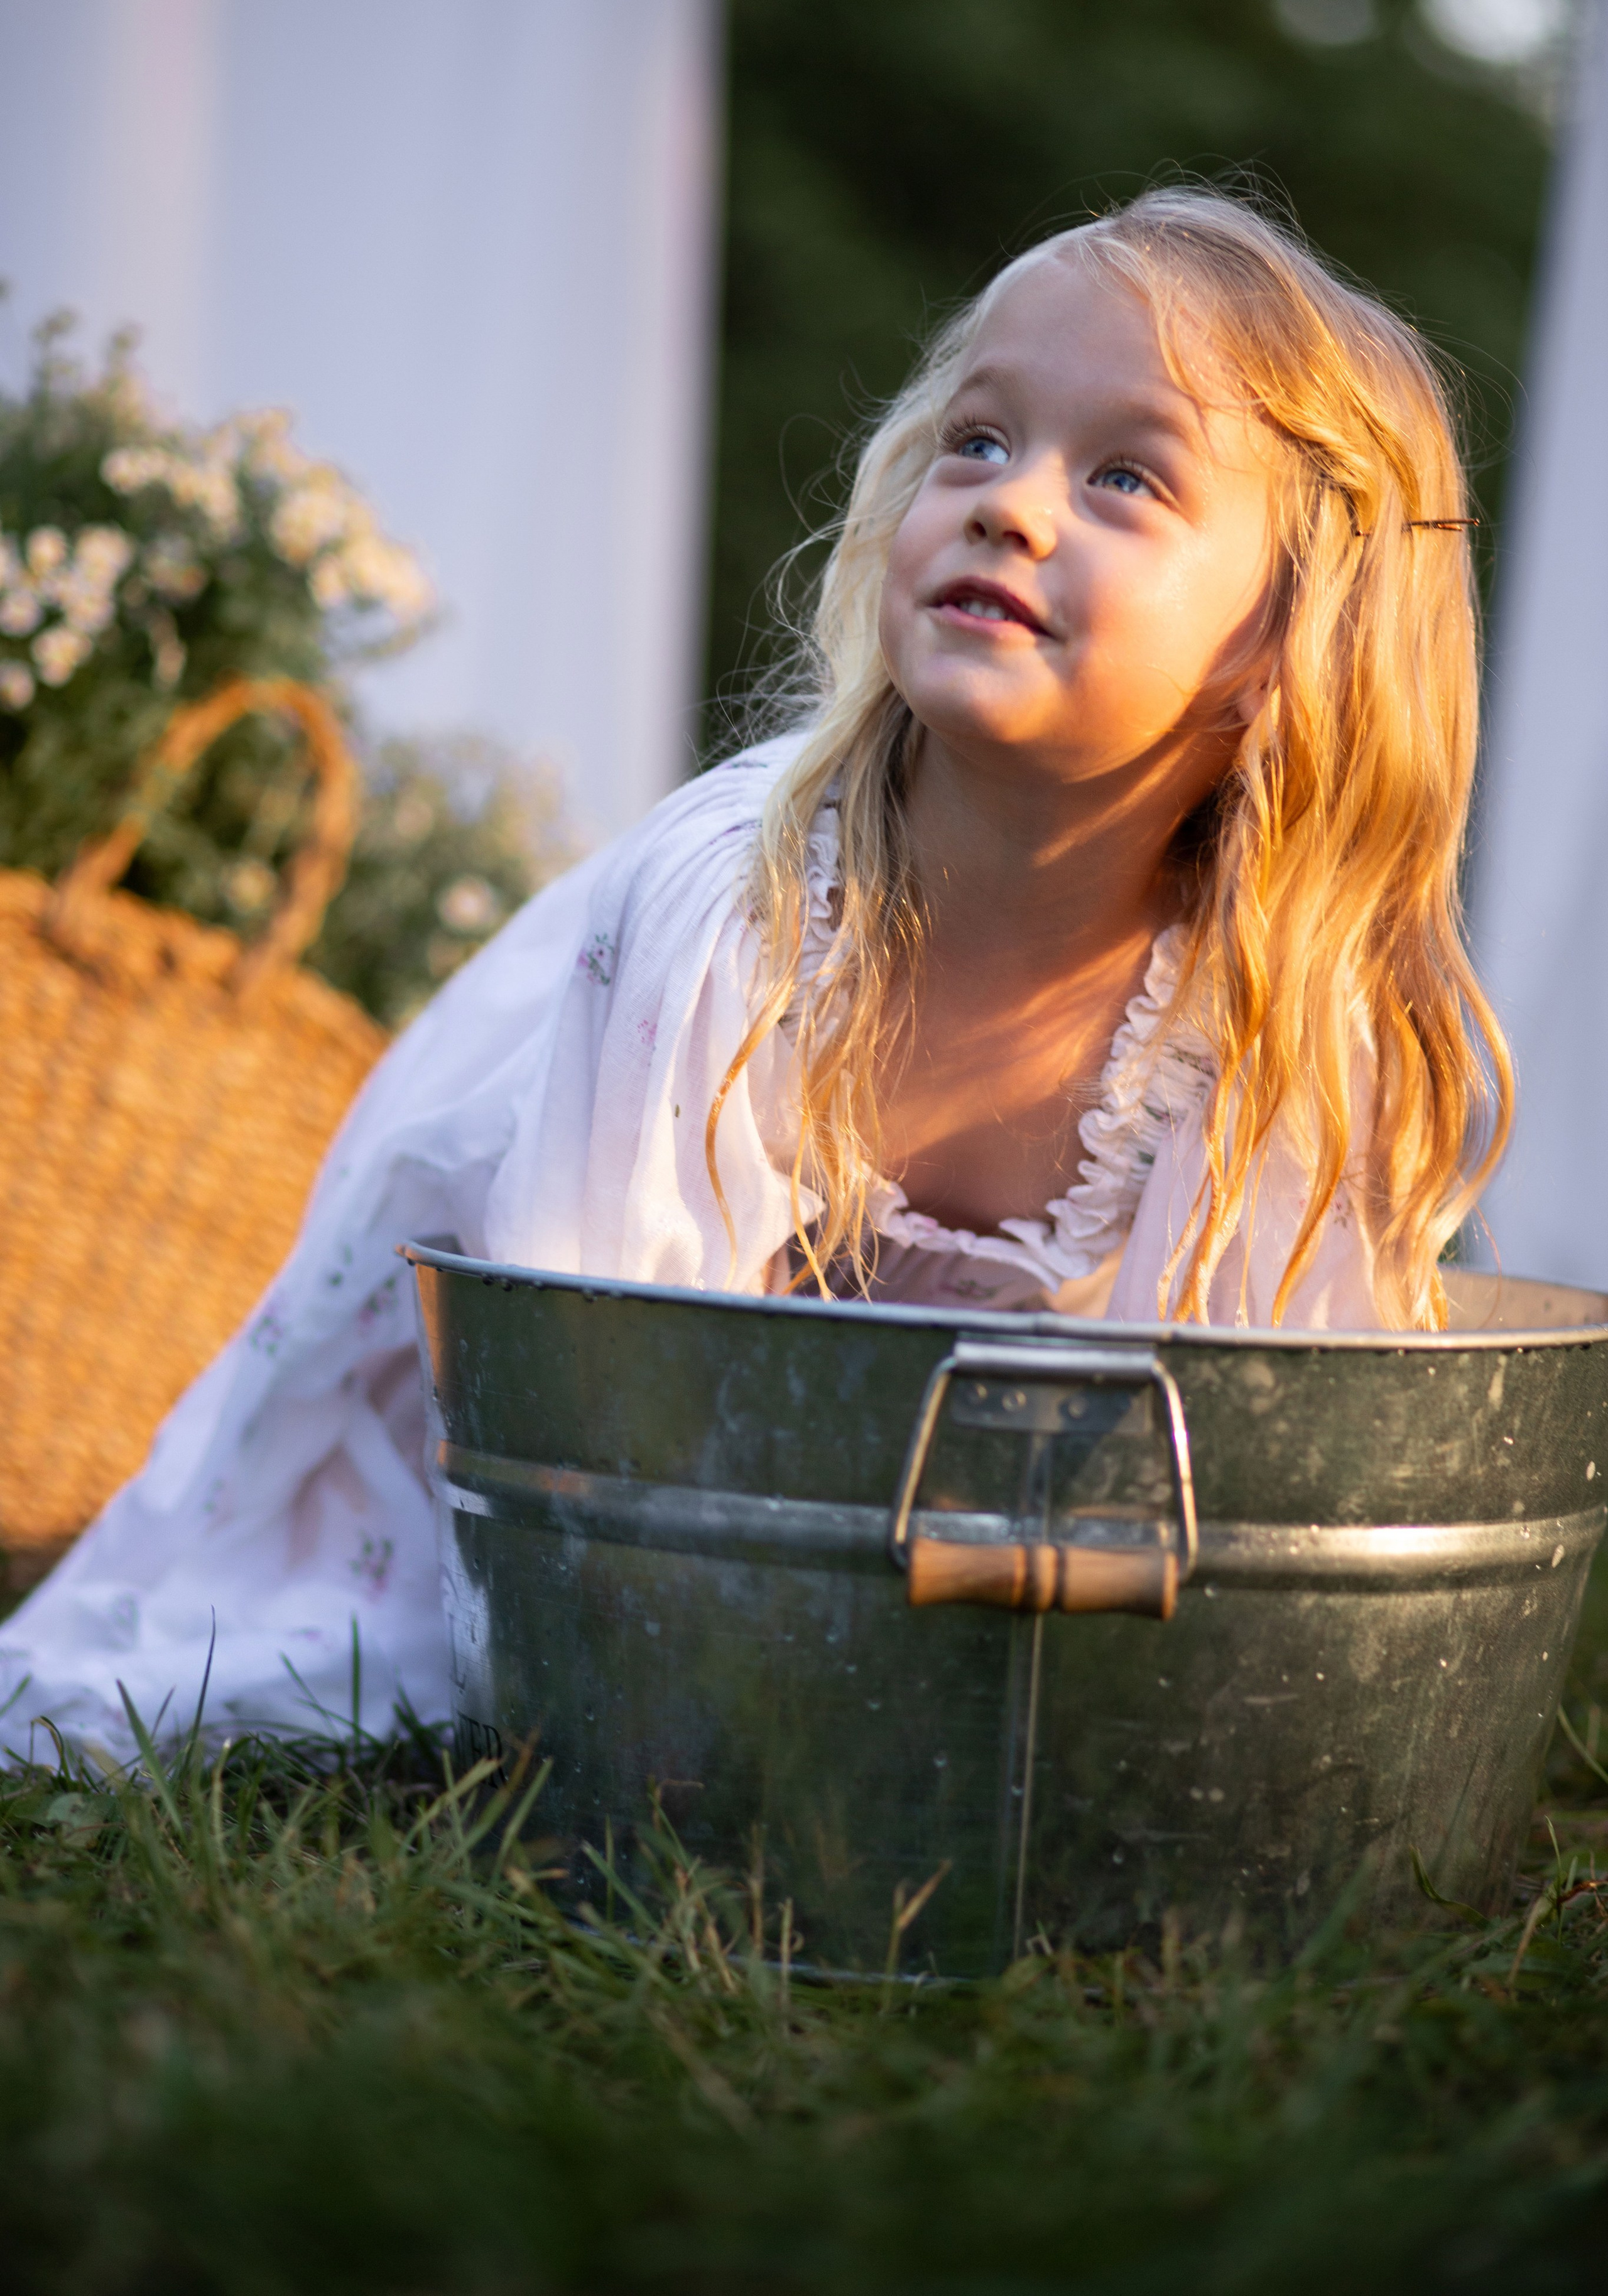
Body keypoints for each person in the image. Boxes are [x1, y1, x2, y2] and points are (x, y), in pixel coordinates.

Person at [0, 186, 1511, 1760]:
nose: (1008, 504)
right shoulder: (741, 906)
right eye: (976, 440)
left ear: (1288, 636)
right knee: (367, 1675)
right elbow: (594, 1381)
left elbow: (1272, 1463)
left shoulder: (1274, 1014)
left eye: (1125, 476)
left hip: (862, 1482)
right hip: (494, 1402)